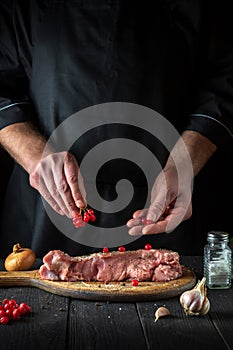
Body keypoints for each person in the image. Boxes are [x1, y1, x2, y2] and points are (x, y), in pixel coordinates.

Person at [0, 0, 232, 258]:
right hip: (45, 216)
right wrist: (35, 155)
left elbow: (223, 83)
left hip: (164, 213)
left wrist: (183, 165)